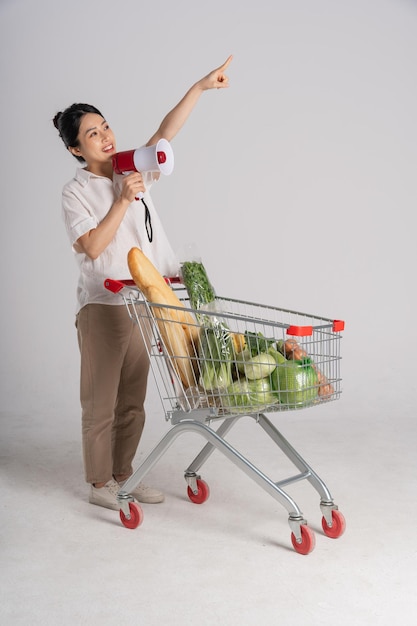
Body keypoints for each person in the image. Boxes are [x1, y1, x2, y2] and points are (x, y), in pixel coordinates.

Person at [53, 55, 233, 511]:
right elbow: (92, 247)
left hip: (145, 306)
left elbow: (165, 133)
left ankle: (123, 477)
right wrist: (122, 198)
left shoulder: (131, 166)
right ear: (77, 149)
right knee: (101, 404)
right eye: (92, 133)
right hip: (103, 308)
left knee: (133, 402)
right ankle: (99, 486)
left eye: (106, 126)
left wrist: (199, 87)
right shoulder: (76, 191)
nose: (105, 136)